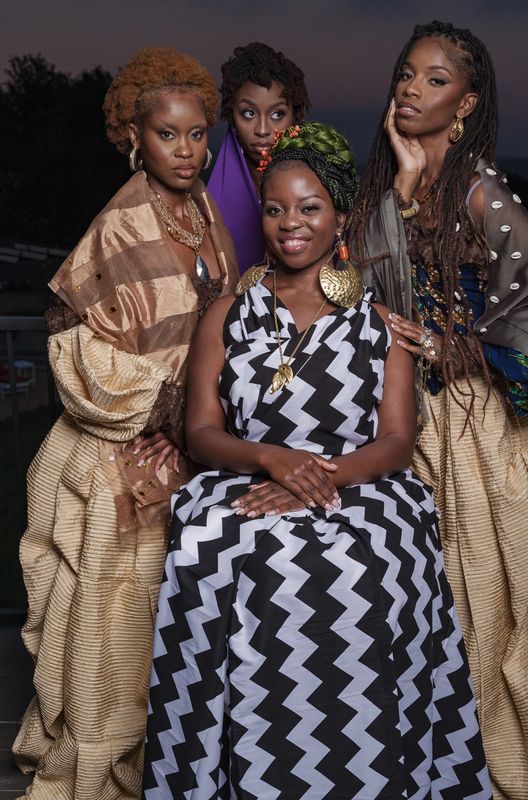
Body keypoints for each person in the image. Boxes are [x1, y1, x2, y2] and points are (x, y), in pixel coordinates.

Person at [143, 121, 491, 800]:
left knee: (369, 560)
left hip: (358, 483)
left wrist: (318, 477)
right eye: (274, 209)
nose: (288, 225)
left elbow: (395, 440)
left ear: (338, 218)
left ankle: (364, 773)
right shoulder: (226, 315)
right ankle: (242, 775)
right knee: (216, 544)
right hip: (244, 475)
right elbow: (203, 433)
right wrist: (274, 460)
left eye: (308, 208)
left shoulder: (376, 319)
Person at [350, 20, 528, 800]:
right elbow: (360, 288)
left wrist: (462, 349)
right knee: (429, 609)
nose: (409, 88)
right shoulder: (398, 184)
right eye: (405, 73)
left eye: (433, 80)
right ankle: (439, 765)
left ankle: (501, 765)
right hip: (411, 429)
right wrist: (397, 179)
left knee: (490, 611)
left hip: (485, 436)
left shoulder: (480, 188)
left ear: (467, 103)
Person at [12, 47, 238, 800]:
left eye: (198, 133)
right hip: (124, 451)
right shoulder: (120, 224)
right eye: (168, 135)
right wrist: (173, 405)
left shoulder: (204, 210)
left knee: (172, 625)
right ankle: (105, 764)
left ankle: (170, 761)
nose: (185, 149)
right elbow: (75, 345)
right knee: (118, 629)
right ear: (135, 139)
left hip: (189, 448)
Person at [208, 42, 310, 273]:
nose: (263, 129)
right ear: (231, 116)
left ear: (294, 116)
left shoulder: (321, 188)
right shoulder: (206, 206)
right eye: (249, 113)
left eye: (277, 114)